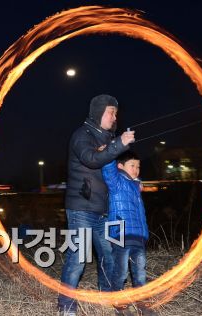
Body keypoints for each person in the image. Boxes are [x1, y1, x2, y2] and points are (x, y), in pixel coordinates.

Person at [57, 94, 135, 315]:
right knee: (78, 258)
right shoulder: (82, 135)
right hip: (81, 208)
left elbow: (113, 169)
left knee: (111, 257)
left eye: (116, 113)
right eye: (110, 112)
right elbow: (91, 159)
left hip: (104, 210)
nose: (114, 116)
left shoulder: (108, 139)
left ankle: (109, 298)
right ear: (98, 112)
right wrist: (119, 143)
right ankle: (66, 307)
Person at [102, 151, 156, 316]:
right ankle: (118, 299)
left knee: (140, 270)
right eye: (132, 165)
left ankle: (141, 301)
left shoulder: (136, 186)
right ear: (120, 166)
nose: (136, 169)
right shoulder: (117, 182)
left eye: (138, 166)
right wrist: (111, 151)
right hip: (120, 232)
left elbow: (140, 214)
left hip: (138, 236)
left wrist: (145, 234)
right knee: (121, 269)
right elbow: (108, 169)